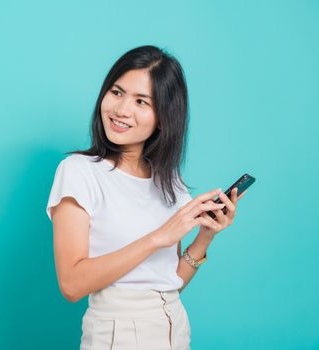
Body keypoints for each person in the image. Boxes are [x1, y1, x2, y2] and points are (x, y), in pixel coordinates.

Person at [45, 45, 246, 350]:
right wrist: (159, 237)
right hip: (117, 333)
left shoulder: (170, 182)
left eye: (141, 101)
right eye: (116, 92)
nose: (121, 109)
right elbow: (71, 284)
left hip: (173, 327)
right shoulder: (78, 172)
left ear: (164, 118)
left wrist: (204, 237)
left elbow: (169, 282)